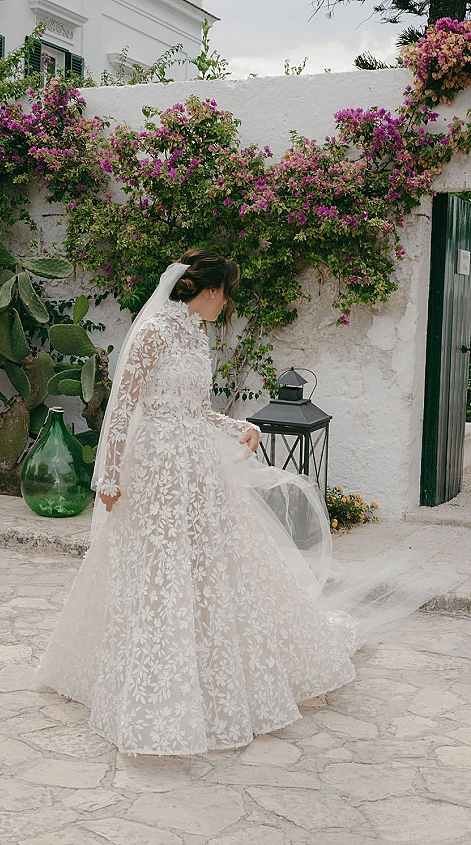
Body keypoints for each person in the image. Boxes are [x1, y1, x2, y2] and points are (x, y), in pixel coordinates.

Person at [35, 249, 444, 756]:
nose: (226, 306)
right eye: (226, 295)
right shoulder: (155, 332)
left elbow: (191, 408)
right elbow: (123, 407)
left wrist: (236, 425)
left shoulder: (193, 332)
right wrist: (110, 476)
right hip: (158, 468)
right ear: (209, 291)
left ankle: (211, 675)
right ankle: (152, 687)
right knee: (159, 569)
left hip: (196, 469)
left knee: (209, 568)